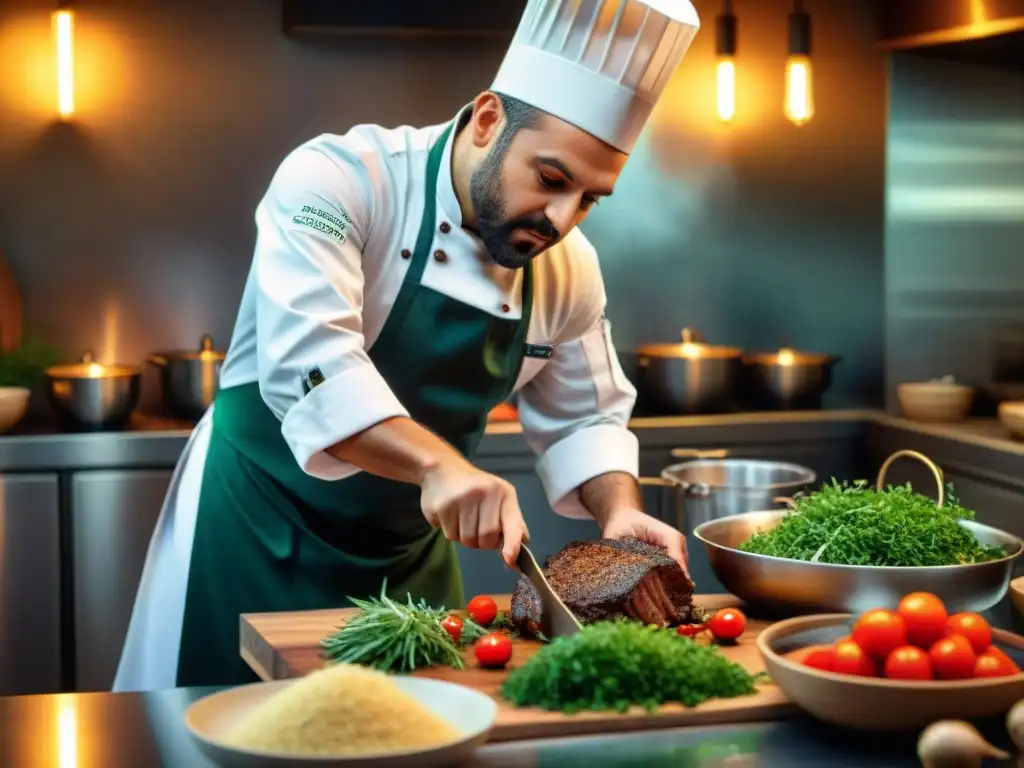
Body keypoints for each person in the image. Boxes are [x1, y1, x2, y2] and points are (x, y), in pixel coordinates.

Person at [114, 0, 701, 692]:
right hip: (254, 532)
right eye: (550, 180)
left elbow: (588, 419)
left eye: (590, 199)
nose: (562, 220)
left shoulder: (571, 271)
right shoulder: (339, 182)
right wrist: (440, 468)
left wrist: (620, 511)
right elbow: (318, 368)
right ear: (487, 120)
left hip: (408, 562)